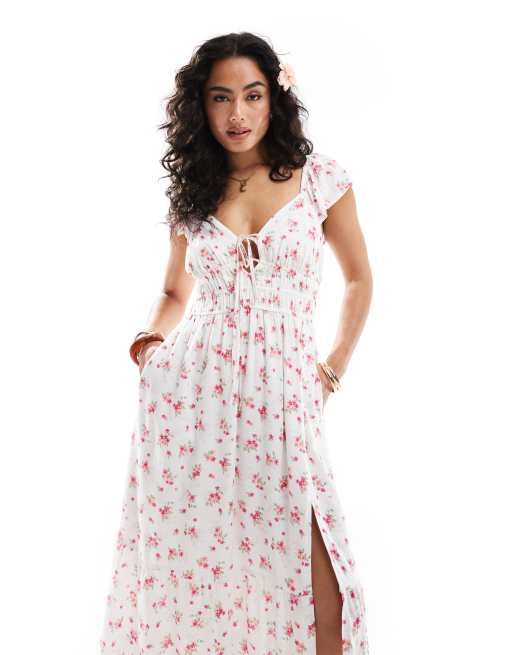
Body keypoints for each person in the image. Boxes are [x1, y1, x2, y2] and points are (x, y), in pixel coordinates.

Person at [99, 32, 373, 655]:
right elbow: (173, 292)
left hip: (284, 396)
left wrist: (330, 370)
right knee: (209, 575)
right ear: (202, 106)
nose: (237, 114)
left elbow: (359, 279)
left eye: (252, 95)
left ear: (275, 98)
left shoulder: (319, 181)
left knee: (328, 594)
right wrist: (150, 342)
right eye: (221, 98)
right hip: (196, 401)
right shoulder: (194, 192)